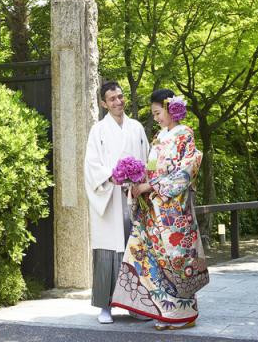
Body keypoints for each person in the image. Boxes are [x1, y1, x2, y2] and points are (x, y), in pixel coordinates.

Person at [110, 89, 209, 331]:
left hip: (173, 211)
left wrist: (150, 186)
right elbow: (152, 168)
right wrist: (136, 182)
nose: (156, 118)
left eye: (157, 113)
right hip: (153, 209)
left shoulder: (185, 134)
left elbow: (185, 172)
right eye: (153, 114)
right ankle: (167, 312)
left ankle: (185, 314)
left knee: (176, 259)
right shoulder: (158, 138)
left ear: (170, 109)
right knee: (153, 256)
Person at [84, 81, 150, 324]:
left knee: (135, 249)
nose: (118, 102)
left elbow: (146, 158)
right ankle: (105, 306)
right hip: (109, 196)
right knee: (108, 251)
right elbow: (91, 165)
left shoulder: (137, 127)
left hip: (134, 196)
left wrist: (139, 180)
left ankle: (137, 306)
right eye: (112, 99)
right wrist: (113, 176)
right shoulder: (98, 130)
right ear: (103, 103)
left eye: (120, 97)